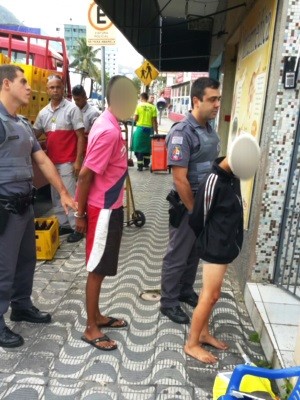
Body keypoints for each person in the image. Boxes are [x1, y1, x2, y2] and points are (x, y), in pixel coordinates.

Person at [0, 64, 76, 348]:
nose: (30, 86)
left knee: (25, 261)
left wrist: (64, 192)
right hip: (3, 210)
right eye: (23, 81)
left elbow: (43, 160)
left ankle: (21, 305)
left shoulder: (21, 124)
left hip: (23, 206)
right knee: (3, 267)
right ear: (6, 84)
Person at [184, 134, 260, 363]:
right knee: (210, 295)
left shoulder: (232, 174)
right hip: (215, 246)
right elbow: (198, 217)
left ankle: (204, 333)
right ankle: (192, 343)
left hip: (224, 243)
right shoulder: (213, 180)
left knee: (212, 296)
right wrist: (208, 243)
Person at [75, 75, 135, 351]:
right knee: (96, 268)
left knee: (101, 266)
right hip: (102, 210)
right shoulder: (109, 131)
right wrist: (79, 213)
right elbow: (85, 175)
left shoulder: (112, 123)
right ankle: (90, 327)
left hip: (111, 207)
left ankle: (97, 315)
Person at [160, 77, 221, 324]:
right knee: (177, 254)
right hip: (188, 204)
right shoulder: (181, 133)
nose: (217, 104)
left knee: (194, 252)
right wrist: (195, 211)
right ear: (196, 101)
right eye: (212, 99)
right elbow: (180, 179)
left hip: (204, 203)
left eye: (219, 99)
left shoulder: (208, 128)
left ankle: (185, 290)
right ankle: (168, 302)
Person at [33, 75, 85, 243]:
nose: (55, 90)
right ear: (47, 90)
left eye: (58, 87)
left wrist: (78, 161)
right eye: (52, 87)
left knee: (69, 194)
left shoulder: (72, 109)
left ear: (63, 89)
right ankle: (64, 224)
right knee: (56, 195)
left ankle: (77, 228)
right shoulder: (43, 113)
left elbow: (80, 136)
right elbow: (35, 134)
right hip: (52, 162)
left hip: (68, 161)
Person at [132, 92, 158, 171]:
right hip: (149, 130)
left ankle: (140, 166)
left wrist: (134, 117)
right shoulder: (153, 107)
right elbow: (154, 121)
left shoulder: (139, 106)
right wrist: (156, 132)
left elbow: (135, 119)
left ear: (142, 98)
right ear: (147, 98)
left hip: (140, 129)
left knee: (139, 147)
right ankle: (146, 164)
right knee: (147, 147)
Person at [71, 84, 100, 152]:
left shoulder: (93, 113)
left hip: (88, 148)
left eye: (78, 100)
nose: (76, 102)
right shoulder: (73, 111)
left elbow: (97, 134)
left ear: (85, 97)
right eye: (75, 100)